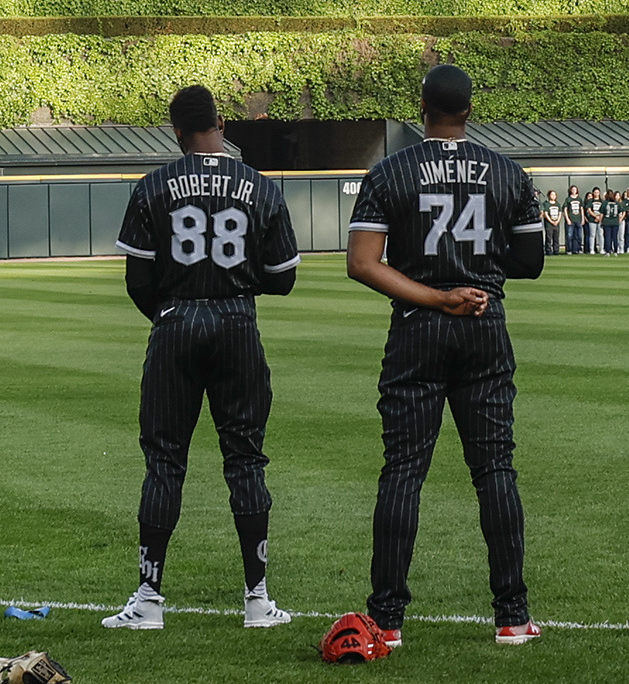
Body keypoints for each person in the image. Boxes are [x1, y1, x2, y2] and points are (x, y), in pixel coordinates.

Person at [343, 64, 551, 646]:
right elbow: (531, 262)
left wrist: (438, 293)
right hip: (485, 323)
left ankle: (386, 620)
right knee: (495, 471)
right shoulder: (508, 172)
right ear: (469, 109)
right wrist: (476, 271)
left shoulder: (390, 171)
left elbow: (362, 264)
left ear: (422, 106)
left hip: (419, 327)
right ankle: (512, 615)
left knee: (403, 471)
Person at [101, 83, 297, 631]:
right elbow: (284, 279)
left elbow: (137, 280)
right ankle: (257, 600)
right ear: (221, 125)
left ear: (177, 132)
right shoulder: (259, 187)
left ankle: (148, 600)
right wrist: (236, 285)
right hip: (237, 323)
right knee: (245, 459)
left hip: (175, 323)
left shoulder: (153, 186)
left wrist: (173, 313)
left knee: (164, 461)